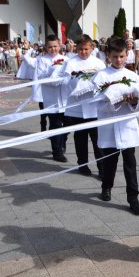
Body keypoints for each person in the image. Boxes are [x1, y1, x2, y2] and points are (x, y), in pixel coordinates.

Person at [93, 37, 139, 215]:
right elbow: (98, 104)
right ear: (108, 56)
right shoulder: (101, 76)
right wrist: (115, 101)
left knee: (130, 163)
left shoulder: (133, 76)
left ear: (127, 54)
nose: (119, 60)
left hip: (127, 125)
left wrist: (132, 101)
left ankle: (133, 198)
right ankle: (106, 186)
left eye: (122, 56)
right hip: (109, 125)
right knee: (110, 162)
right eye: (115, 56)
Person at [60, 35, 106, 176]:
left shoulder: (99, 63)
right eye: (80, 49)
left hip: (94, 108)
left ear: (92, 47)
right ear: (76, 49)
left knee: (98, 140)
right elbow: (65, 81)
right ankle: (83, 164)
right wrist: (77, 84)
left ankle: (102, 166)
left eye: (86, 49)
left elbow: (105, 80)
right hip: (77, 106)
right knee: (80, 138)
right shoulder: (70, 62)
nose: (83, 52)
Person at [35, 35, 69, 162]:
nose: (53, 49)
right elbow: (40, 77)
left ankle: (62, 142)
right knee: (55, 125)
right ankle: (57, 151)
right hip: (51, 99)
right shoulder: (42, 60)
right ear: (46, 47)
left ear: (59, 46)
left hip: (65, 99)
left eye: (55, 46)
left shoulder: (66, 59)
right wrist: (52, 73)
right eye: (50, 47)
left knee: (67, 124)